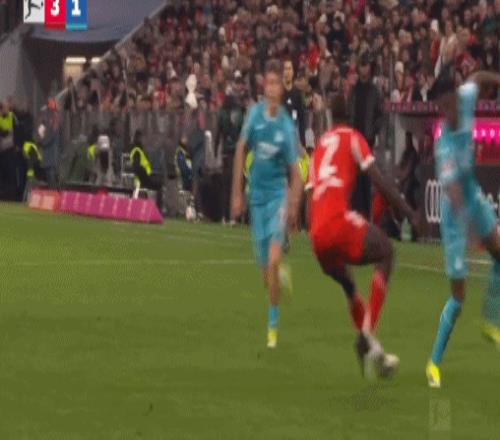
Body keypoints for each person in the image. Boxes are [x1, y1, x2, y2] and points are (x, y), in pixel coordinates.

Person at [306, 94, 419, 378]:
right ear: (351, 114)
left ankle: (374, 351)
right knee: (386, 252)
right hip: (337, 221)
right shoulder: (353, 138)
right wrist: (409, 212)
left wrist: (311, 233)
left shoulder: (320, 146)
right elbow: (379, 181)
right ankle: (366, 336)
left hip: (317, 233)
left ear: (331, 117)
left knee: (348, 285)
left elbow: (310, 196)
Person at [426, 70, 500, 388]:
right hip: (455, 217)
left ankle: (491, 322)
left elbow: (478, 77)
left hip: (474, 197)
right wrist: (470, 229)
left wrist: (497, 80)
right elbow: (453, 193)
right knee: (458, 298)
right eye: (443, 107)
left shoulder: (467, 96)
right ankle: (433, 363)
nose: (449, 111)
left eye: (450, 103)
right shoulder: (443, 146)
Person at [231, 59, 303, 349]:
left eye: (276, 84)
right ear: (264, 87)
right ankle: (279, 275)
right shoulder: (255, 116)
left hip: (277, 198)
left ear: (282, 89)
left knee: (273, 259)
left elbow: (295, 173)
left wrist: (294, 203)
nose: (272, 89)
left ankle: (272, 328)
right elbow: (240, 148)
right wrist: (237, 193)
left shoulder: (286, 126)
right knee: (267, 275)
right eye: (268, 84)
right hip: (256, 199)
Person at [348, 55, 384, 219]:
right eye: (361, 65)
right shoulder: (354, 91)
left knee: (366, 179)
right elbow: (349, 113)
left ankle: (366, 216)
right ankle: (356, 214)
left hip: (367, 141)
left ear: (369, 68)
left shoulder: (374, 91)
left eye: (366, 65)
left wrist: (374, 132)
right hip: (354, 140)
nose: (363, 69)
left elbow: (380, 115)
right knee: (355, 180)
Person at [215, 73, 246, 224]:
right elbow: (242, 134)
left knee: (225, 186)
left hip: (226, 153)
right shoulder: (239, 114)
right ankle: (234, 217)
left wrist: (216, 150)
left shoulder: (222, 114)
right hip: (236, 153)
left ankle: (223, 215)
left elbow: (218, 134)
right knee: (235, 185)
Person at [283, 59, 306, 148]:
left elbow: (301, 119)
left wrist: (303, 143)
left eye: (289, 69)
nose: (287, 72)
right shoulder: (278, 93)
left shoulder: (297, 94)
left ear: (293, 72)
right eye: (285, 69)